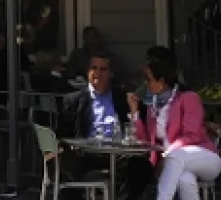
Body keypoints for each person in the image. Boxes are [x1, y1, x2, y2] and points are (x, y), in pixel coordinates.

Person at [57, 53, 152, 200]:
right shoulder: (73, 101)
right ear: (87, 71)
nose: (98, 73)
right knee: (68, 165)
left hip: (119, 154)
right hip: (86, 155)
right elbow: (62, 135)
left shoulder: (123, 98)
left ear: (111, 74)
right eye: (94, 68)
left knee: (142, 166)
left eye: (103, 69)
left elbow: (141, 122)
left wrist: (134, 110)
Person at [129, 59, 221, 200]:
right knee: (185, 179)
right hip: (175, 163)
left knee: (176, 156)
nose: (145, 83)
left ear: (162, 81)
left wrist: (167, 154)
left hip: (206, 158)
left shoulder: (189, 98)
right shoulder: (152, 106)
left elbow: (193, 135)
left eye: (148, 79)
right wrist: (135, 112)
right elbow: (146, 142)